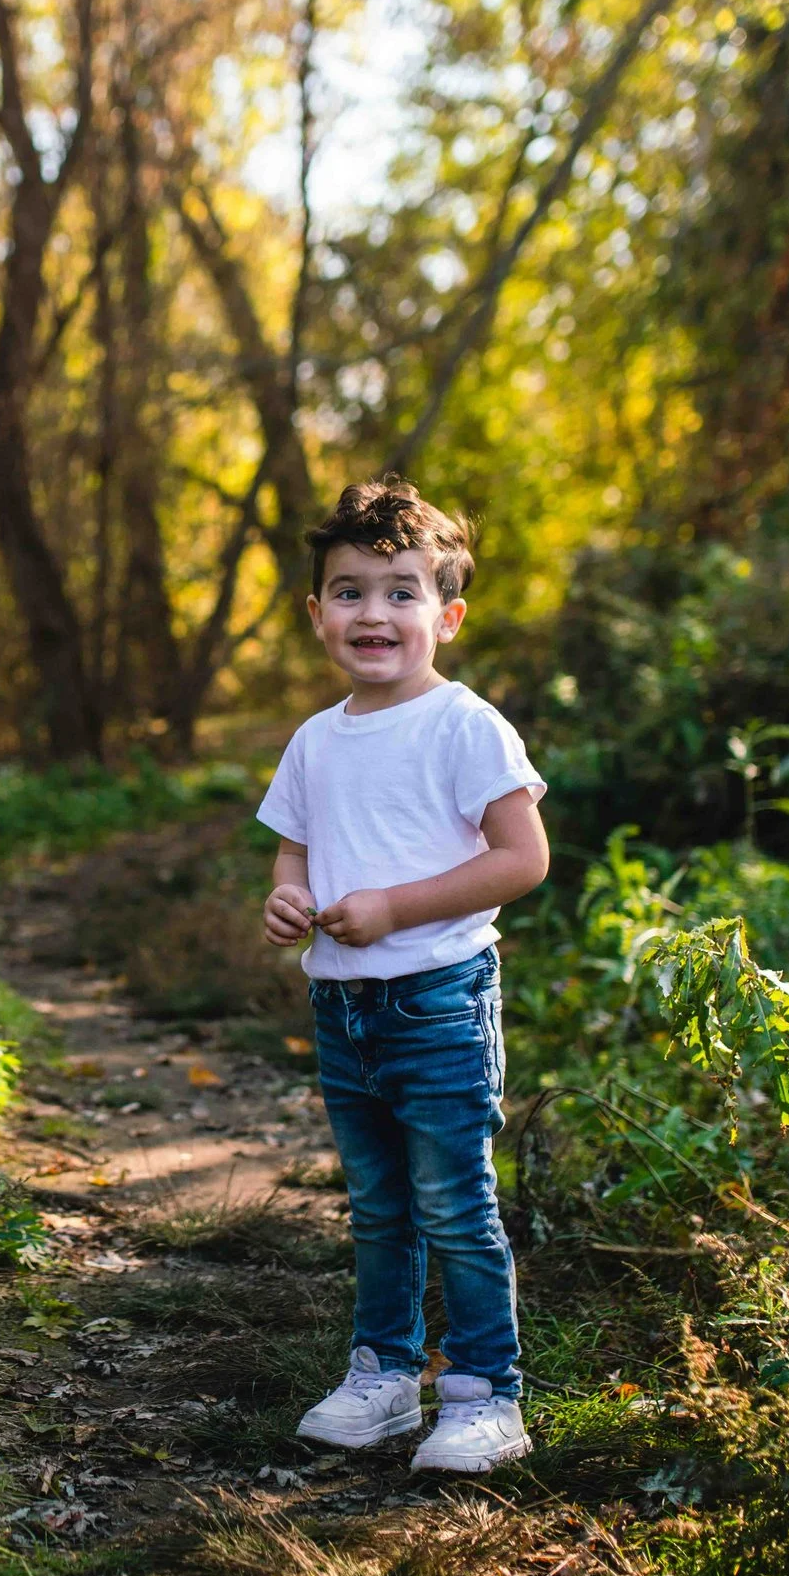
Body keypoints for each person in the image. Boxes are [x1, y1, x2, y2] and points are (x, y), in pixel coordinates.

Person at [257, 475, 549, 1474]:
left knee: (453, 1202)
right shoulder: (312, 740)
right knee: (378, 1204)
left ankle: (482, 1392)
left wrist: (390, 908)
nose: (372, 613)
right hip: (340, 1004)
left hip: (436, 998)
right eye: (349, 591)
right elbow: (294, 851)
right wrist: (288, 901)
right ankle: (382, 1373)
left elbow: (521, 859)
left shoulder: (463, 725)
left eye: (399, 591)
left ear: (447, 614)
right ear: (315, 613)